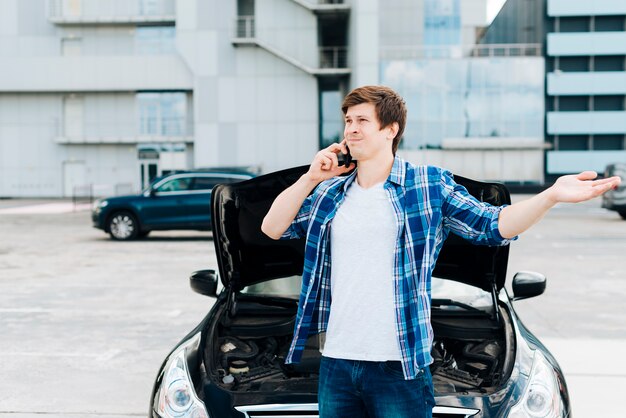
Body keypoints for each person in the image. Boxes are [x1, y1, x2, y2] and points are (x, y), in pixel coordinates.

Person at [261, 85, 621, 418]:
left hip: (399, 365)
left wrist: (551, 196)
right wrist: (310, 177)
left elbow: (494, 225)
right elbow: (272, 227)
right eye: (348, 121)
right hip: (337, 360)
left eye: (362, 121)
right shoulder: (330, 194)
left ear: (391, 129)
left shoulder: (427, 185)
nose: (351, 129)